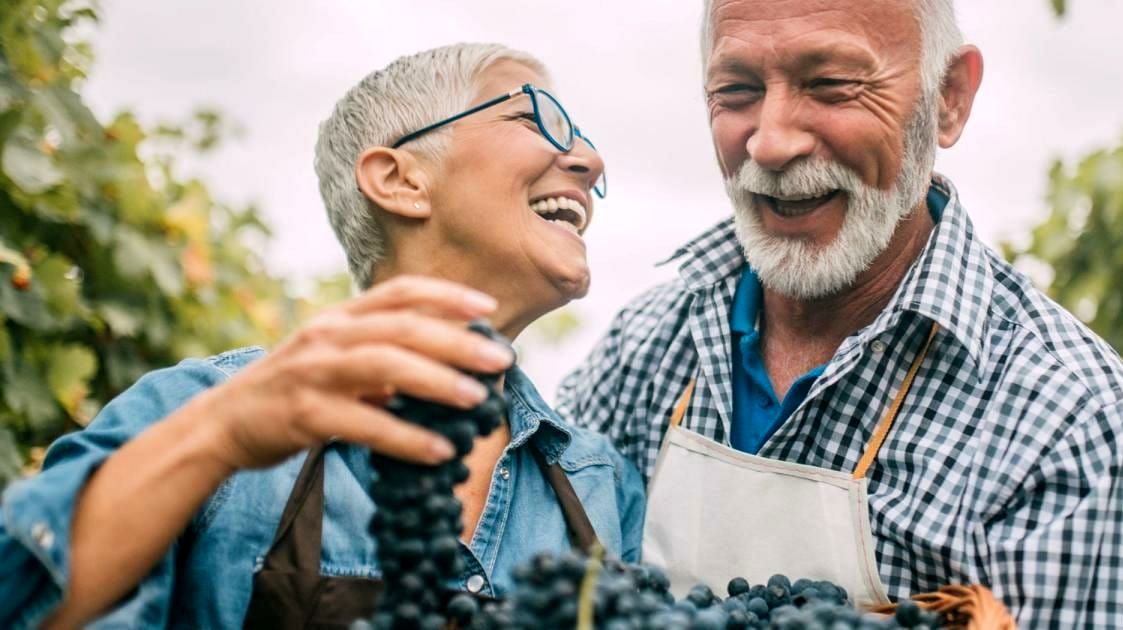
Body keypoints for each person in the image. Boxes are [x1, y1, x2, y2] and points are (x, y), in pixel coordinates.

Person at [555, 0, 1123, 626]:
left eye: (831, 85)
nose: (771, 143)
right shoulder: (647, 343)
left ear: (949, 99)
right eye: (737, 89)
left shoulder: (1076, 425)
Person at [0, 43, 643, 629]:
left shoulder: (601, 484)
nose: (589, 161)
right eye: (535, 120)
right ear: (399, 179)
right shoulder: (195, 411)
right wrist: (217, 436)